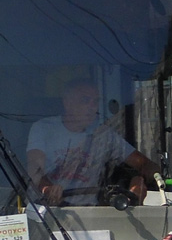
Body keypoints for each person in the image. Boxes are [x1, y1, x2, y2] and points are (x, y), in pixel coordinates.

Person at [26, 77, 160, 206]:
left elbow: (146, 165)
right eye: (85, 100)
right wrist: (48, 189)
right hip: (46, 212)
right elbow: (34, 168)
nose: (92, 107)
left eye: (95, 102)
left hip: (88, 214)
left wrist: (138, 183)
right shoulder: (44, 128)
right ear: (67, 103)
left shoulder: (103, 135)